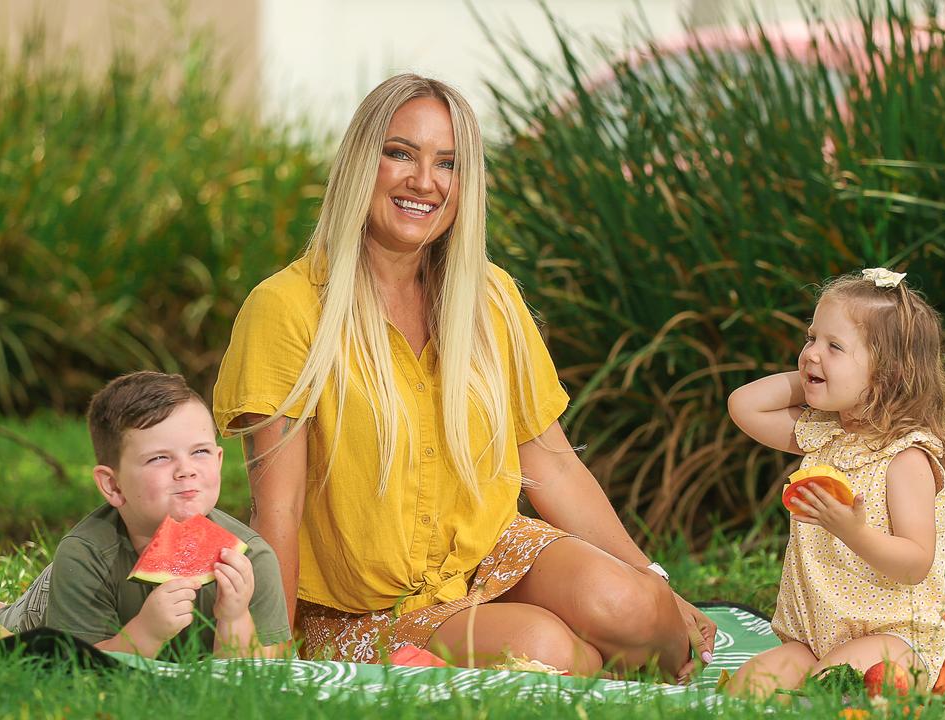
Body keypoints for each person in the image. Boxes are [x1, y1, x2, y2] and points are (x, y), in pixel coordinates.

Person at [212, 73, 715, 680]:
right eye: (399, 153)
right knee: (547, 649)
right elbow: (280, 508)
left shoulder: (491, 297)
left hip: (490, 559)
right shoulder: (288, 308)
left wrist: (655, 583)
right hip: (364, 610)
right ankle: (575, 665)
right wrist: (271, 658)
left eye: (447, 164)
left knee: (639, 611)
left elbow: (551, 465)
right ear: (359, 163)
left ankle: (581, 660)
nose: (424, 181)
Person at [0, 371, 291, 659]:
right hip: (55, 609)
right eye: (160, 458)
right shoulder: (86, 553)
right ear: (113, 487)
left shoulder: (250, 558)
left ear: (219, 459)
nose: (186, 470)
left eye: (200, 452)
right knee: (1, 627)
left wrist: (234, 617)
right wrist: (143, 634)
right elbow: (71, 670)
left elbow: (261, 678)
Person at [725, 268, 945, 696]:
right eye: (810, 338)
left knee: (831, 686)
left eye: (834, 346)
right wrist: (818, 373)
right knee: (744, 691)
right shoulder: (825, 434)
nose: (811, 353)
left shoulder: (905, 457)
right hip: (815, 637)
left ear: (888, 373)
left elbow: (914, 563)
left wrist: (853, 532)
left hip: (893, 638)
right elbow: (744, 405)